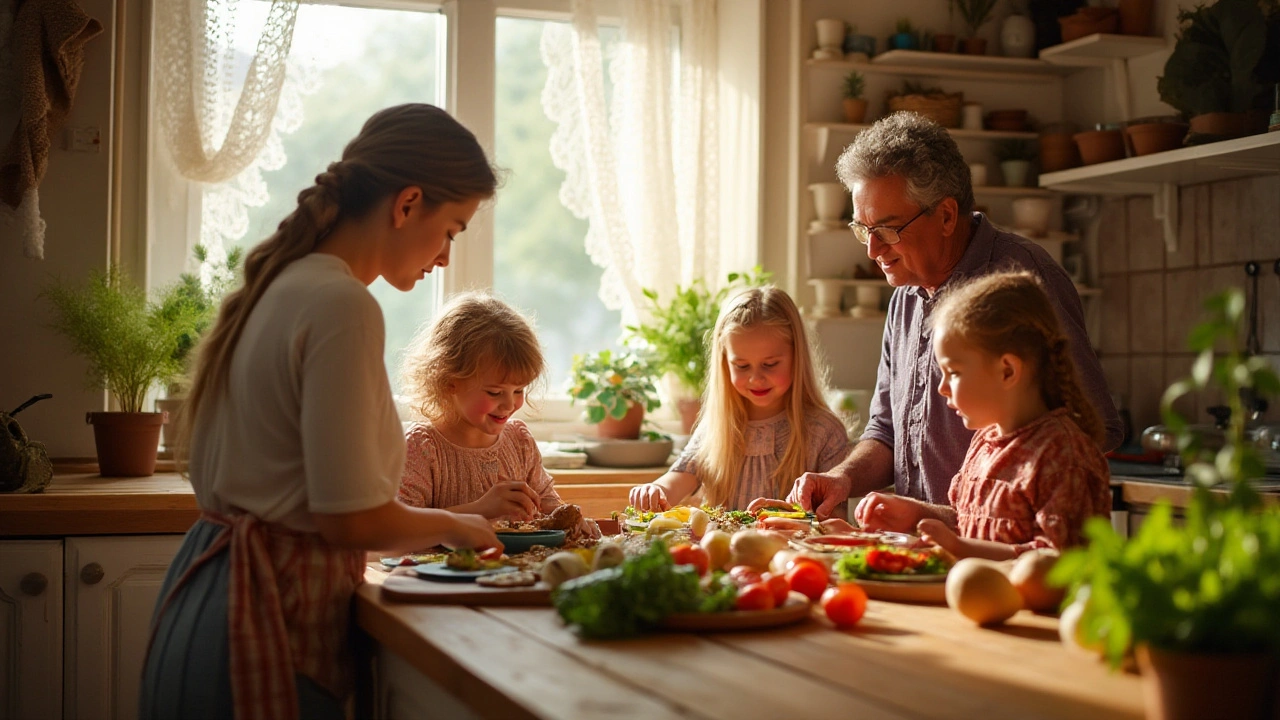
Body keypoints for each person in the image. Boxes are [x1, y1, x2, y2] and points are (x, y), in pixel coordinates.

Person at [140, 104, 503, 720]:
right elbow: (350, 522)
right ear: (407, 202)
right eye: (452, 229)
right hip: (261, 626)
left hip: (205, 607)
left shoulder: (284, 285)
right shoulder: (342, 304)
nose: (445, 256)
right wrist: (459, 525)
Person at [786, 112, 1121, 523]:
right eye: (863, 229)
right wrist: (840, 479)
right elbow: (887, 432)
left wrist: (949, 519)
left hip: (1010, 565)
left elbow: (1089, 431)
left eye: (888, 229)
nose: (873, 250)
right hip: (932, 557)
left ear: (946, 216)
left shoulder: (1024, 280)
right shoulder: (905, 295)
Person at [850, 272, 1111, 559]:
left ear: (1007, 370)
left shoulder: (1063, 455)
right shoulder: (984, 442)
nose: (942, 388)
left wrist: (960, 549)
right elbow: (968, 523)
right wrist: (916, 514)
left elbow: (1061, 564)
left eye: (955, 373)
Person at [628, 286, 852, 511]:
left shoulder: (824, 432)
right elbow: (679, 478)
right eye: (742, 366)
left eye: (770, 364)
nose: (756, 378)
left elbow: (835, 523)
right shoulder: (718, 426)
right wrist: (656, 490)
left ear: (797, 356)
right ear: (725, 363)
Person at [397, 292, 598, 538]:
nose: (509, 403)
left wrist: (573, 520)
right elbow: (399, 534)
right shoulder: (422, 448)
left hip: (514, 574)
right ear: (449, 381)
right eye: (494, 392)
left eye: (519, 390)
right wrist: (480, 509)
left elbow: (547, 504)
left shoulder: (519, 441)